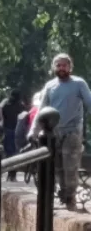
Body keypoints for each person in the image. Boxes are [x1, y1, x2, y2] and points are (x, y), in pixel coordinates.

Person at [40, 53, 91, 210]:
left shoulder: (78, 83)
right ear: (54, 67)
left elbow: (89, 102)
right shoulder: (49, 86)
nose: (61, 68)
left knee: (70, 166)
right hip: (54, 132)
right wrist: (33, 132)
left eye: (64, 65)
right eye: (59, 65)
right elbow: (41, 110)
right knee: (58, 167)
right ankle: (63, 194)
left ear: (70, 67)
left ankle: (71, 197)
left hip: (73, 131)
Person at [0, 89, 24, 174]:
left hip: (7, 130)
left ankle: (10, 172)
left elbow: (2, 116)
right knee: (15, 152)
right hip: (17, 131)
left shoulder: (5, 105)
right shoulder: (21, 106)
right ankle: (13, 173)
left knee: (9, 152)